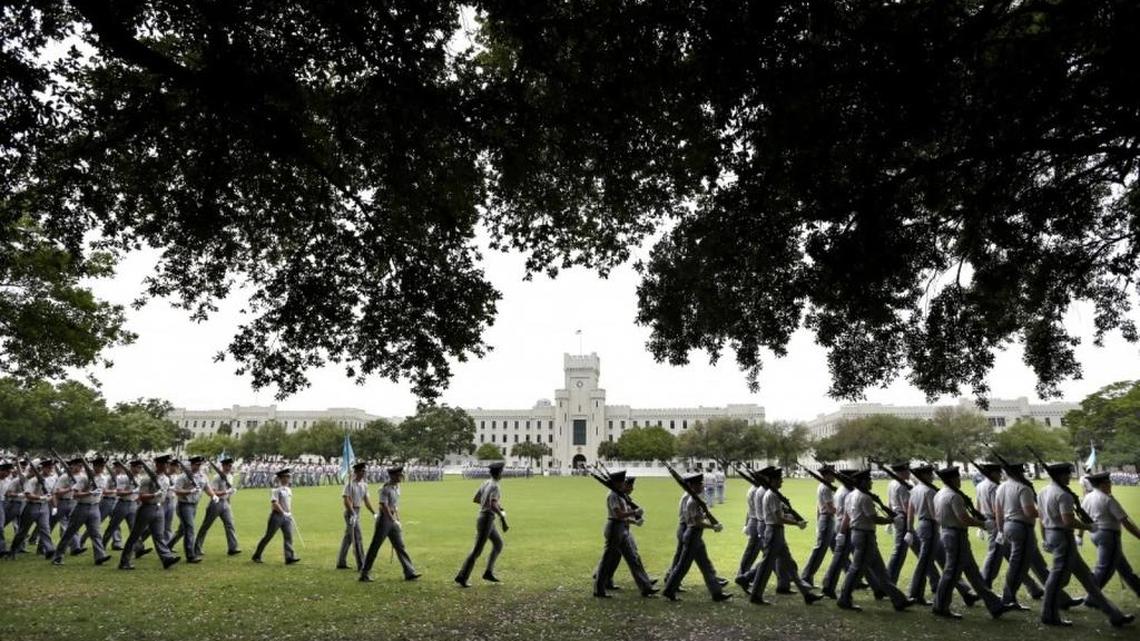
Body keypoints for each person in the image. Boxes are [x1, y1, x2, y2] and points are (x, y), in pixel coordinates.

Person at [1038, 462, 1133, 627]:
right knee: (1057, 578)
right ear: (1060, 475)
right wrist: (1088, 526)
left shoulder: (1043, 492)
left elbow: (1041, 518)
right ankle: (1049, 615)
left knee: (1088, 580)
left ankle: (1114, 614)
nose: (1069, 477)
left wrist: (1044, 538)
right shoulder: (1063, 494)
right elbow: (1068, 521)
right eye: (1067, 474)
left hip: (1053, 534)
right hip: (1063, 538)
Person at [930, 466, 1015, 620]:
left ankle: (995, 606)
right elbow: (964, 518)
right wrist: (983, 524)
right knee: (951, 573)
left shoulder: (939, 494)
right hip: (956, 535)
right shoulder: (954, 496)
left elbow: (937, 516)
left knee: (974, 574)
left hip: (949, 533)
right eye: (957, 477)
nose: (960, 480)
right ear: (951, 479)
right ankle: (940, 606)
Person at [836, 470, 914, 612]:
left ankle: (899, 600)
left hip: (860, 534)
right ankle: (844, 598)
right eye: (869, 480)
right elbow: (874, 519)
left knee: (881, 572)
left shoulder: (850, 495)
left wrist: (841, 533)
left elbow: (847, 517)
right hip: (865, 535)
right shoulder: (865, 498)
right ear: (863, 482)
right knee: (857, 569)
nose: (871, 482)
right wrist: (891, 520)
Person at [747, 467, 822, 606]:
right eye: (780, 479)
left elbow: (780, 516)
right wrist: (797, 523)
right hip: (774, 531)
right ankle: (756, 595)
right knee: (766, 566)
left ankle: (807, 594)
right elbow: (778, 518)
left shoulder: (772, 493)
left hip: (777, 532)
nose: (782, 481)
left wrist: (794, 519)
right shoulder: (773, 495)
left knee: (790, 566)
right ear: (774, 480)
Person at [993, 461, 1062, 607]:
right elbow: (1029, 512)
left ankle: (1061, 596)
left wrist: (1000, 530)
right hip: (1022, 528)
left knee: (1038, 564)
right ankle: (1008, 598)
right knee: (1018, 566)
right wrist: (1046, 511)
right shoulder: (1023, 488)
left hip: (1008, 526)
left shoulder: (1001, 487)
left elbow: (998, 512)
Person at [662, 472, 732, 602]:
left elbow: (699, 517)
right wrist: (712, 527)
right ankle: (669, 590)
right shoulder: (692, 501)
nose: (702, 485)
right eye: (699, 483)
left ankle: (717, 593)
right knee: (682, 566)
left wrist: (707, 518)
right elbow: (695, 522)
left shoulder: (695, 499)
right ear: (692, 486)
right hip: (693, 534)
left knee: (706, 566)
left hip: (696, 535)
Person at [593, 470, 657, 598]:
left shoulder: (620, 494)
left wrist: (633, 519)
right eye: (622, 482)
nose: (624, 484)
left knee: (633, 558)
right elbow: (618, 514)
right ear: (617, 483)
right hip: (615, 527)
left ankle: (646, 587)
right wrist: (634, 513)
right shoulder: (613, 495)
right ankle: (599, 589)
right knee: (607, 561)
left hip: (621, 527)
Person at [1081, 471, 1140, 597]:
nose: (1110, 485)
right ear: (1102, 484)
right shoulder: (1107, 499)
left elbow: (1083, 518)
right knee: (1104, 569)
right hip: (1108, 536)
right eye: (1108, 483)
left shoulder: (1088, 497)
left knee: (1123, 568)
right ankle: (1091, 598)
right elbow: (1125, 522)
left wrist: (1080, 535)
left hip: (1096, 534)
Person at [118, 455, 180, 570]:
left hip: (159, 508)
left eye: (168, 464)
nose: (167, 466)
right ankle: (124, 561)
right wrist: (154, 494)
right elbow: (141, 497)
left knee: (159, 536)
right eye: (164, 464)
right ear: (158, 465)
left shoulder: (165, 479)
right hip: (147, 508)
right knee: (135, 536)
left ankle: (166, 558)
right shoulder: (147, 479)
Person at [359, 465, 420, 582]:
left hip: (392, 519)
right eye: (398, 475)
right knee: (375, 547)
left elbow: (395, 505)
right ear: (392, 476)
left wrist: (398, 519)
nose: (401, 477)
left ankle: (409, 572)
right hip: (384, 520)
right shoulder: (385, 489)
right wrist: (393, 520)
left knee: (400, 546)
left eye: (401, 475)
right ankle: (364, 573)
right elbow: (383, 506)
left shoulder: (397, 488)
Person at [51, 458, 111, 565]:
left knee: (96, 534)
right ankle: (57, 556)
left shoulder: (104, 478)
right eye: (99, 466)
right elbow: (75, 494)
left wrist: (99, 494)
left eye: (102, 466)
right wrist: (89, 492)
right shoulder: (84, 478)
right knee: (69, 533)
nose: (101, 468)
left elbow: (102, 491)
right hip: (81, 507)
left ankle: (100, 557)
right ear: (94, 466)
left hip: (95, 507)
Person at [455, 462, 507, 587]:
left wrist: (492, 506)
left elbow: (476, 499)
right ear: (499, 473)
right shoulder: (495, 486)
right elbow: (492, 504)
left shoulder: (486, 483)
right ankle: (462, 576)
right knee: (476, 551)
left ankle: (488, 572)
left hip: (486, 518)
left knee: (498, 544)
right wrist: (502, 517)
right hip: (486, 519)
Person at [7, 460, 57, 560]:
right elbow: (28, 495)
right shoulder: (34, 480)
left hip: (44, 507)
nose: (50, 469)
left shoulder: (52, 479)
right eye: (48, 467)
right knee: (23, 532)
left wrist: (54, 506)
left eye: (51, 467)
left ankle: (49, 550)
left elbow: (52, 494)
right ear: (42, 468)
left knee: (45, 530)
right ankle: (12, 550)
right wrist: (41, 498)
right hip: (31, 507)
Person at [194, 458, 241, 557]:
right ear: (223, 466)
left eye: (230, 466)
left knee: (230, 525)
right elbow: (213, 492)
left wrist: (229, 501)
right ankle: (197, 547)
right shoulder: (217, 477)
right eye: (227, 465)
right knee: (206, 526)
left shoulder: (230, 477)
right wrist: (226, 492)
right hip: (216, 503)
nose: (229, 467)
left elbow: (228, 493)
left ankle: (233, 548)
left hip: (225, 503)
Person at [800, 464, 837, 587]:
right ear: (827, 475)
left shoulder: (824, 486)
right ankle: (806, 577)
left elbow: (818, 506)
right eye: (832, 473)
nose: (835, 475)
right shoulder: (826, 488)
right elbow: (830, 509)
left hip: (826, 519)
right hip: (827, 520)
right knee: (820, 550)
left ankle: (852, 576)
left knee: (839, 550)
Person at [252, 468, 299, 565]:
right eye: (285, 477)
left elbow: (288, 503)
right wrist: (284, 512)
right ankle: (257, 555)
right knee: (268, 536)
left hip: (287, 516)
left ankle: (289, 557)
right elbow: (275, 504)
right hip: (277, 516)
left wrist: (289, 512)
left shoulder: (289, 490)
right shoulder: (276, 490)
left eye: (288, 477)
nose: (287, 479)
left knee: (288, 536)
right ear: (280, 478)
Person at [173, 456, 213, 563]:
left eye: (200, 464)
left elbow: (207, 488)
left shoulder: (202, 476)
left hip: (194, 505)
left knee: (182, 530)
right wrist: (189, 491)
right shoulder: (183, 476)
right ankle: (190, 556)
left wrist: (213, 496)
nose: (198, 466)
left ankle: (167, 546)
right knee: (190, 529)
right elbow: (177, 491)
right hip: (184, 505)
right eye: (196, 464)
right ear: (192, 464)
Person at [337, 462, 374, 570]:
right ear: (357, 472)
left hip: (357, 511)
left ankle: (341, 562)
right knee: (357, 537)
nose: (364, 473)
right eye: (362, 471)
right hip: (350, 512)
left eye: (365, 471)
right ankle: (361, 564)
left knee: (348, 538)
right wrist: (352, 512)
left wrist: (374, 512)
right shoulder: (349, 484)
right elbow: (346, 499)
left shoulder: (364, 485)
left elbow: (366, 500)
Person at [885, 463, 914, 583]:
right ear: (901, 472)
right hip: (903, 518)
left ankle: (934, 579)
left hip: (897, 516)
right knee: (899, 552)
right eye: (907, 471)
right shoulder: (902, 487)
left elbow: (889, 503)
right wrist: (910, 529)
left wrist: (890, 520)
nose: (909, 473)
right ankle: (889, 581)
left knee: (920, 551)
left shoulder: (892, 484)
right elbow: (907, 508)